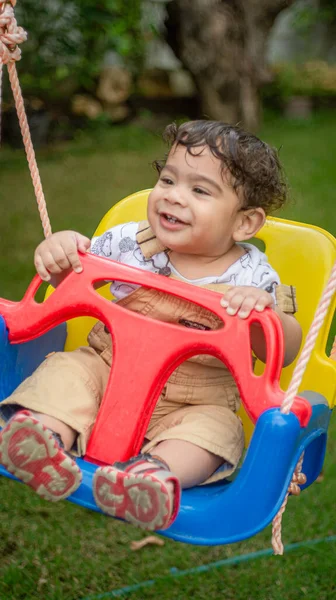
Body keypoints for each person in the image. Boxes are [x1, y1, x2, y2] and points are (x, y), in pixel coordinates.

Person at [0, 120, 302, 531]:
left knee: (217, 430)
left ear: (244, 223)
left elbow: (283, 354)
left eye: (199, 190)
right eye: (168, 179)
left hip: (193, 401)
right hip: (107, 370)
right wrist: (61, 252)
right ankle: (39, 439)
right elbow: (72, 281)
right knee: (68, 372)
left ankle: (152, 476)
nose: (173, 197)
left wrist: (263, 315)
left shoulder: (252, 276)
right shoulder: (129, 243)